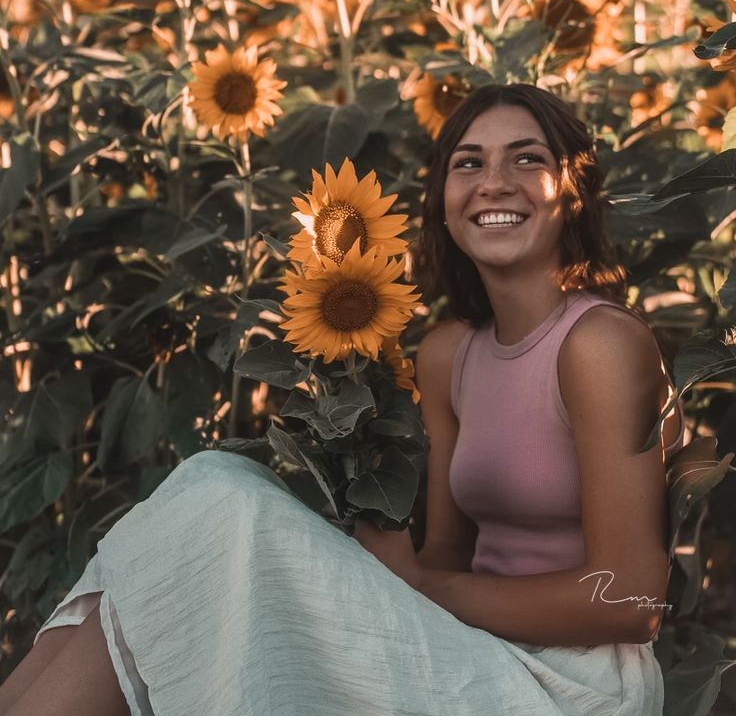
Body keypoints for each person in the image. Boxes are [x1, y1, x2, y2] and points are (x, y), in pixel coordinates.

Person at [0, 82, 684, 716]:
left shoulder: (599, 345)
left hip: (575, 688)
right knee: (212, 487)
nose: (493, 183)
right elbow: (442, 557)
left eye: (527, 158)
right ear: (443, 199)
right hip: (474, 648)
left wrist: (418, 586)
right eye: (468, 164)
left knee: (221, 503)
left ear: (575, 187)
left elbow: (632, 601)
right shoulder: (450, 354)